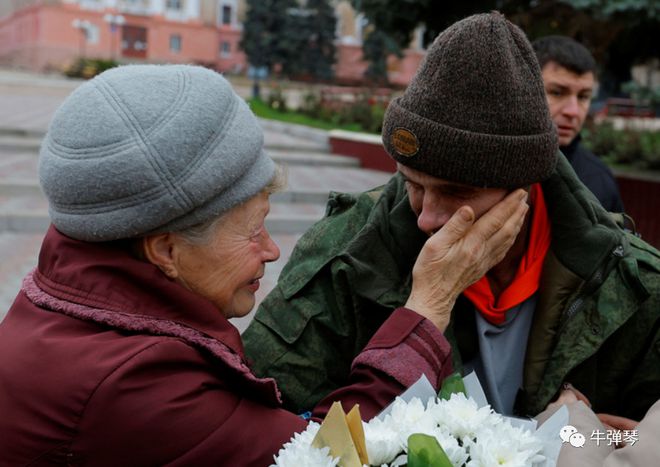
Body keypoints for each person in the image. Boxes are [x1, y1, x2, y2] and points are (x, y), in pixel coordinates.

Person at [0, 65, 528, 465]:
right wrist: (428, 305)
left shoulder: (65, 300)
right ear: (165, 250)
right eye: (253, 230)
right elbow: (320, 458)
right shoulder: (132, 384)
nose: (273, 251)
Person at [243, 12, 660, 424]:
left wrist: (584, 439)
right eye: (413, 183)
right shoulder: (345, 253)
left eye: (457, 192)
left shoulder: (631, 282)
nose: (426, 217)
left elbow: (634, 445)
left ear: (525, 186)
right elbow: (264, 430)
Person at [532, 35, 625, 212]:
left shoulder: (599, 179)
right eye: (557, 92)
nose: (573, 111)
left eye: (583, 96)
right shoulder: (492, 167)